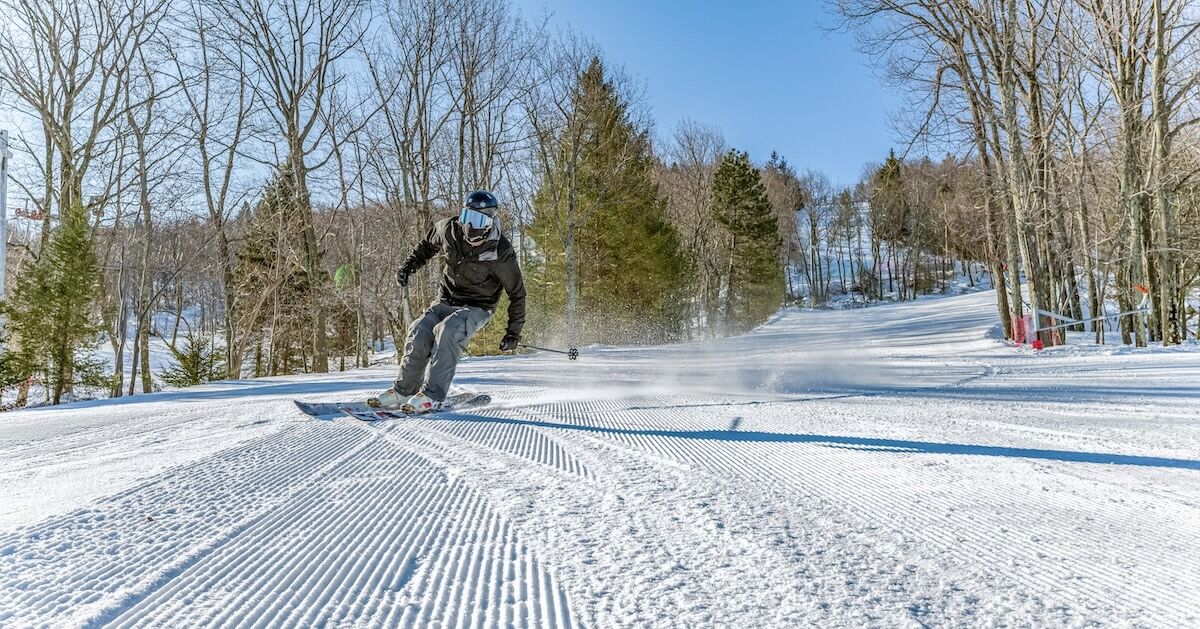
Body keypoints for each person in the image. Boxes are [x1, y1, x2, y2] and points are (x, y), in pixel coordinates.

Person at [369, 191, 526, 413]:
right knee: (419, 328)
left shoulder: (500, 251)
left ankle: (432, 395)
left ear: (489, 222)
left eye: (478, 220)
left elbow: (517, 294)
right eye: (466, 216)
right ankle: (404, 390)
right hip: (446, 299)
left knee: (448, 329)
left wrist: (513, 333)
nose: (469, 226)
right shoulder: (449, 229)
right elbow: (426, 245)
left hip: (478, 306)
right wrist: (408, 267)